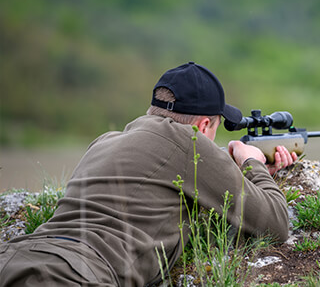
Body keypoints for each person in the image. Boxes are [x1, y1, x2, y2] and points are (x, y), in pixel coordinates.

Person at [0, 62, 298, 286]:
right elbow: (276, 224)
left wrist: (234, 175)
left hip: (14, 259)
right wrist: (254, 164)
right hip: (73, 276)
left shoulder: (106, 140)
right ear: (204, 125)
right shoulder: (189, 142)